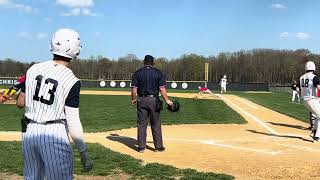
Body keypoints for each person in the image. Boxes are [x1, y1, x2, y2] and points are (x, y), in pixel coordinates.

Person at [16, 28, 93, 179]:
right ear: (75, 50)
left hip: (29, 132)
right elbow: (73, 121)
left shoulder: (33, 69)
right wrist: (83, 152)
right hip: (54, 134)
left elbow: (20, 102)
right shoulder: (72, 80)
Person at [131, 55, 173, 153]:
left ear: (144, 62)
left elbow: (134, 89)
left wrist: (133, 99)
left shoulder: (137, 73)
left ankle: (141, 147)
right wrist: (167, 100)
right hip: (154, 100)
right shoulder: (158, 73)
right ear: (153, 63)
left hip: (141, 100)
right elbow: (162, 89)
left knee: (142, 124)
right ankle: (158, 147)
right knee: (156, 123)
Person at [299, 61, 320, 142]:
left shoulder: (301, 77)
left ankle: (314, 132)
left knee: (318, 115)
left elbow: (298, 88)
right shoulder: (314, 77)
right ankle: (317, 135)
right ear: (314, 68)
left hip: (305, 100)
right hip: (312, 100)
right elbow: (319, 88)